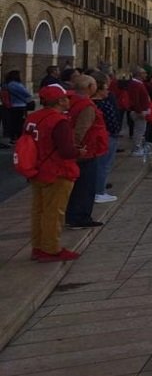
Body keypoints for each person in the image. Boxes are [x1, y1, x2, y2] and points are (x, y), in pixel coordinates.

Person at [27, 85, 84, 261]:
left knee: (39, 211)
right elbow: (66, 151)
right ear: (59, 101)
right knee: (54, 212)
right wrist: (79, 152)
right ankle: (51, 249)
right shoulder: (59, 121)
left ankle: (38, 246)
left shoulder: (33, 117)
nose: (69, 101)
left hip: (37, 168)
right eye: (66, 98)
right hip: (57, 171)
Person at [65, 75, 109, 229]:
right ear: (90, 87)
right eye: (95, 84)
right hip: (86, 151)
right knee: (85, 186)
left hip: (83, 150)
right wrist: (76, 149)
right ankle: (80, 217)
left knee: (79, 186)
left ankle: (74, 215)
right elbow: (81, 129)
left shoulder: (72, 102)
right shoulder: (86, 105)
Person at [92, 72, 120, 204]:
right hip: (107, 136)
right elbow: (112, 121)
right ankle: (100, 192)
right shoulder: (104, 104)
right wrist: (115, 132)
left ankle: (97, 190)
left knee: (99, 165)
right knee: (104, 165)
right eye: (106, 88)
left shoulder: (90, 103)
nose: (108, 91)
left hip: (97, 137)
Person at [126, 67, 151, 156]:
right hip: (139, 112)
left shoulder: (139, 83)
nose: (146, 75)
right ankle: (136, 149)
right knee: (139, 131)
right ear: (139, 74)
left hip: (142, 110)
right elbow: (135, 99)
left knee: (141, 130)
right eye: (144, 73)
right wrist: (139, 111)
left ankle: (139, 147)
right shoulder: (135, 84)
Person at [2, 70, 32, 142]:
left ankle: (14, 137)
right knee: (19, 122)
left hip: (15, 105)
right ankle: (17, 137)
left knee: (14, 122)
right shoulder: (14, 84)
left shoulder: (8, 84)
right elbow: (27, 93)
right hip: (18, 105)